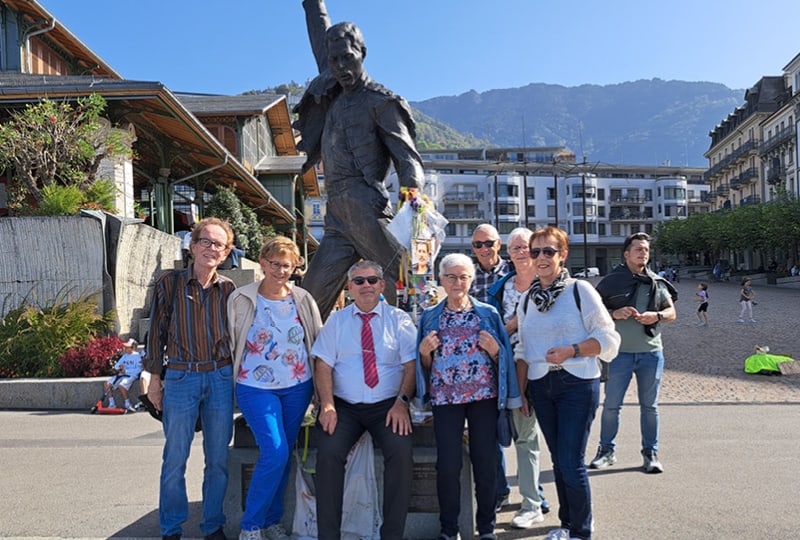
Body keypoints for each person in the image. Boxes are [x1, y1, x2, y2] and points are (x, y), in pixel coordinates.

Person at [295, 0, 425, 319]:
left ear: (362, 53)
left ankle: (417, 354)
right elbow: (318, 31)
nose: (340, 67)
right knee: (308, 301)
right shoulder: (332, 90)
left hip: (367, 207)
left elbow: (409, 163)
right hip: (337, 217)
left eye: (347, 58)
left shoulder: (381, 102)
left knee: (408, 285)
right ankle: (301, 365)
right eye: (334, 60)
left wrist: (413, 217)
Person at [514, 226, 620, 540]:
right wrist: (520, 392)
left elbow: (608, 338)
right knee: (559, 460)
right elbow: (522, 349)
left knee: (570, 461)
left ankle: (581, 531)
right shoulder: (527, 300)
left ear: (562, 255)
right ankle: (567, 523)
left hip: (577, 384)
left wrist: (572, 350)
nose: (542, 257)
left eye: (549, 251)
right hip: (540, 388)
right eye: (536, 252)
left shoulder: (580, 291)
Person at [417, 253, 522, 540]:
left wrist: (496, 350)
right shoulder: (429, 316)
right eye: (451, 276)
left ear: (471, 280)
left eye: (463, 276)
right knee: (448, 466)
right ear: (441, 280)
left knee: (485, 463)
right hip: (445, 400)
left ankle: (486, 528)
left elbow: (505, 359)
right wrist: (425, 353)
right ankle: (449, 529)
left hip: (483, 398)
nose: (457, 282)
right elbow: (423, 368)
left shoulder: (488, 313)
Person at [311, 260, 416, 540]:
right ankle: (329, 536)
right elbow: (323, 364)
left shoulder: (399, 319)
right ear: (349, 287)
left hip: (388, 405)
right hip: (344, 406)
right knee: (329, 454)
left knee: (401, 453)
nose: (366, 286)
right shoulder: (337, 321)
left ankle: (392, 535)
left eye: (372, 280)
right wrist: (328, 404)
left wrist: (402, 402)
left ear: (382, 285)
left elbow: (411, 366)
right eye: (359, 281)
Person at [146, 217, 237, 540]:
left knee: (218, 460)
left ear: (225, 254)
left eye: (219, 245)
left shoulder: (229, 289)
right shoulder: (169, 284)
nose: (211, 249)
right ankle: (171, 528)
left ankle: (212, 525)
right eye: (206, 242)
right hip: (182, 377)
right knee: (175, 459)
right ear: (193, 245)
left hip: (220, 377)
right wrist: (155, 381)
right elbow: (155, 334)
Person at [227, 236, 323, 540]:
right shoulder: (241, 298)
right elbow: (229, 339)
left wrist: (321, 391)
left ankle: (271, 521)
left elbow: (317, 342)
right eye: (275, 264)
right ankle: (251, 525)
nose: (280, 270)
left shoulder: (303, 299)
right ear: (263, 263)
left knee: (285, 453)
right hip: (255, 387)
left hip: (297, 387)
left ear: (295, 268)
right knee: (275, 451)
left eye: (287, 265)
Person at [590, 232, 677, 475]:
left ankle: (650, 453)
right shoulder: (610, 282)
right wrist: (613, 313)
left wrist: (656, 316)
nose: (643, 253)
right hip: (619, 354)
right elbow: (592, 314)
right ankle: (606, 451)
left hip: (651, 354)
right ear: (626, 254)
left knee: (650, 407)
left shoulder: (656, 282)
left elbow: (672, 313)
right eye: (638, 249)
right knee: (611, 406)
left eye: (646, 249)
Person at [487, 227, 549, 529]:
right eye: (515, 248)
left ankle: (540, 496)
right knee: (525, 436)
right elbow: (498, 333)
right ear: (507, 254)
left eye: (525, 247)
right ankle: (531, 502)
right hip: (513, 370)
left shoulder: (551, 283)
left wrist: (513, 325)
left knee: (557, 439)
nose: (521, 252)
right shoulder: (500, 289)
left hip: (551, 369)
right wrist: (513, 325)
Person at [468, 223, 514, 512]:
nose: (484, 249)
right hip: (478, 362)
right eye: (478, 245)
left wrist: (501, 336)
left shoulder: (514, 271)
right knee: (489, 429)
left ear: (499, 244)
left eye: (488, 243)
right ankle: (500, 489)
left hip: (511, 356)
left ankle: (535, 495)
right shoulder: (468, 275)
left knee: (522, 429)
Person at [103, 338, 143, 411]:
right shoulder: (125, 356)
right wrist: (119, 368)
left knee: (121, 385)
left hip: (130, 375)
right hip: (121, 375)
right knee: (107, 384)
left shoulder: (137, 356)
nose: (125, 349)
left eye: (127, 347)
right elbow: (117, 365)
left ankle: (127, 403)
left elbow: (138, 369)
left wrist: (126, 371)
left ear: (133, 348)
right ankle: (112, 404)